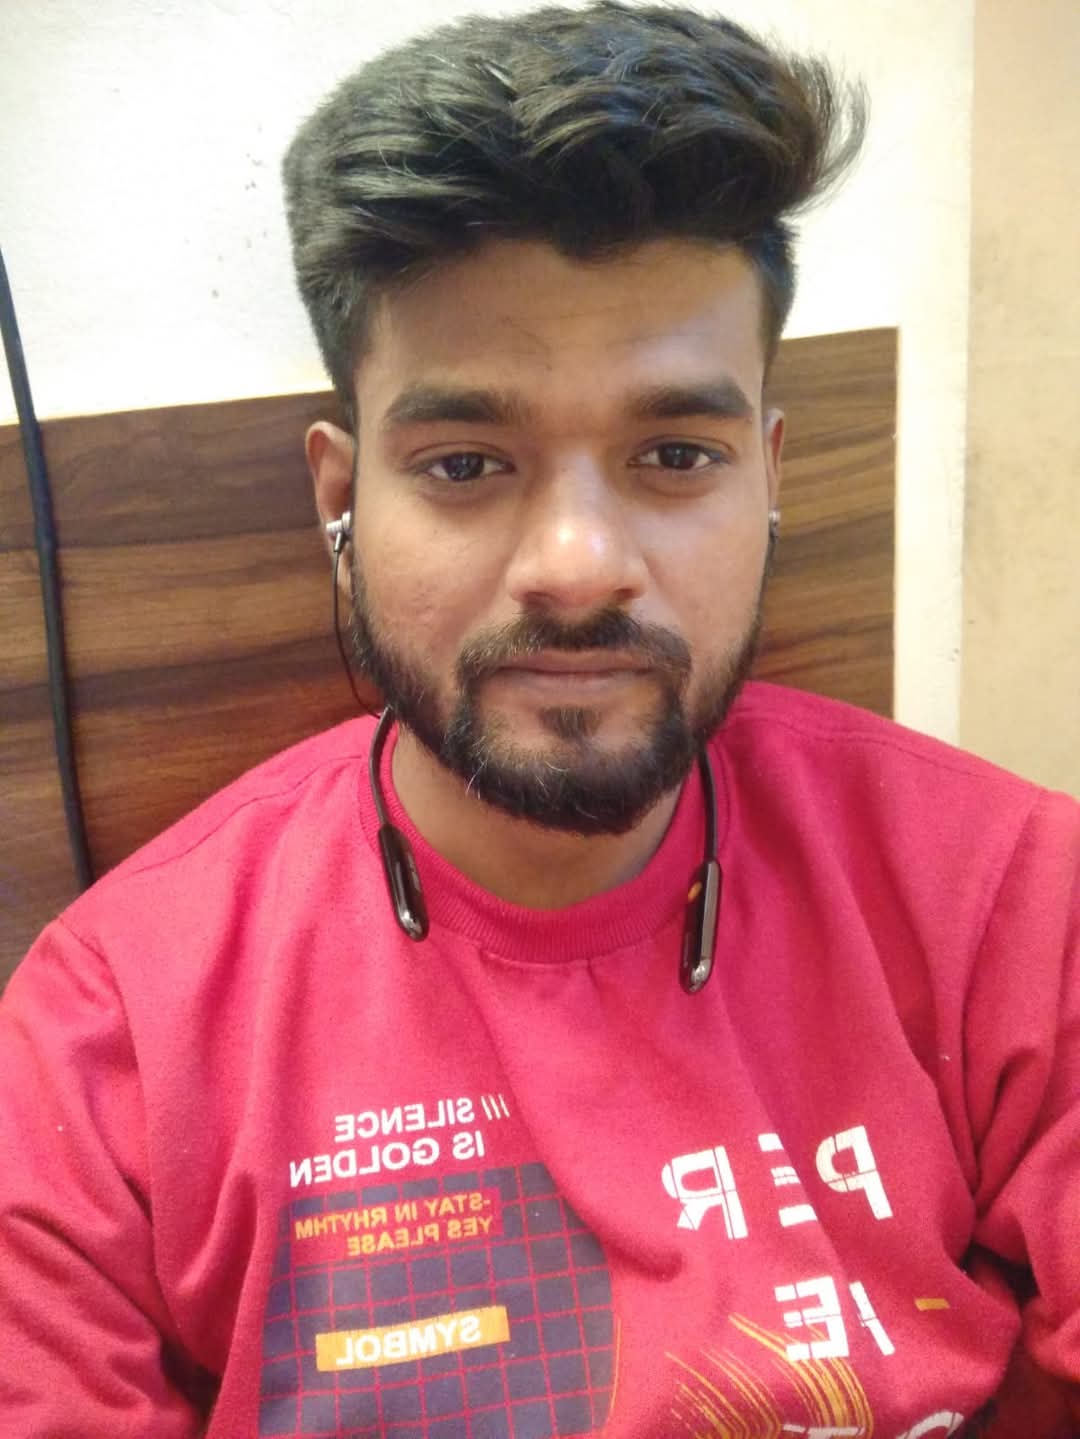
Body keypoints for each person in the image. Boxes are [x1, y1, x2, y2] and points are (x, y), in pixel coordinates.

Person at [1, 2, 1077, 1435]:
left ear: (769, 476)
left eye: (675, 453)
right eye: (464, 464)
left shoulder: (1010, 897)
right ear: (341, 500)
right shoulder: (108, 1041)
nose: (577, 566)